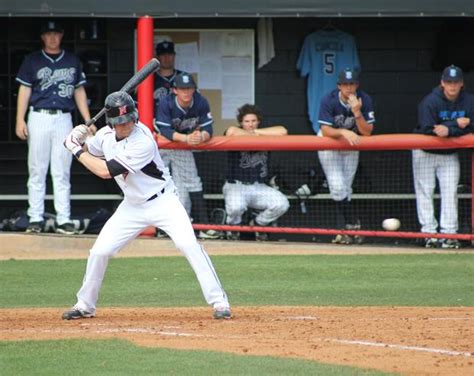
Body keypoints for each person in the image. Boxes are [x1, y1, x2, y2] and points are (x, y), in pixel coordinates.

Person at [61, 91, 231, 320]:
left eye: (129, 119)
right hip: (132, 206)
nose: (126, 125)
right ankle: (85, 305)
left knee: (188, 245)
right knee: (100, 251)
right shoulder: (104, 135)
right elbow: (93, 154)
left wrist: (75, 148)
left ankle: (219, 303)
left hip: (163, 201)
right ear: (111, 123)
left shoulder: (143, 140)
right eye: (120, 122)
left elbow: (104, 171)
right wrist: (82, 139)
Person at [15, 20, 91, 235]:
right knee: (37, 169)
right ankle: (35, 218)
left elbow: (79, 91)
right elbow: (24, 90)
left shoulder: (72, 60)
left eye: (56, 33)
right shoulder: (33, 60)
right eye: (48, 34)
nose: (52, 37)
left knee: (62, 170)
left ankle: (63, 219)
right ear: (42, 37)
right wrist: (20, 119)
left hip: (63, 118)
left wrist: (87, 120)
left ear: (61, 35)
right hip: (38, 116)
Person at [413, 65, 474, 249]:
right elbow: (427, 128)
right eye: (449, 82)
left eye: (455, 82)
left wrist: (449, 129)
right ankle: (429, 233)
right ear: (442, 83)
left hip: (448, 154)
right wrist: (456, 124)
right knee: (425, 192)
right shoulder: (430, 101)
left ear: (461, 83)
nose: (452, 86)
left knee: (450, 193)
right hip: (425, 152)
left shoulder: (469, 101)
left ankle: (449, 233)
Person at [156, 73, 221, 240]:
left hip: (183, 146)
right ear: (175, 90)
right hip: (162, 146)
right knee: (156, 183)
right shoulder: (167, 102)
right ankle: (161, 226)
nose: (186, 92)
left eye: (189, 88)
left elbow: (209, 129)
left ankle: (200, 225)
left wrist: (201, 137)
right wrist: (187, 138)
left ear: (194, 89)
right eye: (182, 89)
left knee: (189, 183)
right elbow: (165, 130)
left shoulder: (200, 101)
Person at [317, 68, 375, 244]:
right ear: (339, 86)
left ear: (357, 85)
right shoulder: (329, 99)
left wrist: (357, 113)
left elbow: (367, 132)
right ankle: (351, 223)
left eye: (352, 84)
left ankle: (343, 232)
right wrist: (343, 131)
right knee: (336, 186)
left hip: (351, 144)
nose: (349, 88)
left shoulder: (364, 99)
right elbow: (325, 130)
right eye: (345, 84)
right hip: (330, 143)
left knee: (346, 189)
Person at [223, 104, 289, 241]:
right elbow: (231, 131)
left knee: (282, 203)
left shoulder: (264, 135)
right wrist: (254, 134)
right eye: (247, 121)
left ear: (258, 121)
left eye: (253, 121)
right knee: (236, 207)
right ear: (241, 123)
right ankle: (232, 228)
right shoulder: (236, 133)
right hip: (236, 186)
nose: (251, 124)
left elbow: (283, 131)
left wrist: (258, 133)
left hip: (258, 186)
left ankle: (259, 224)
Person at [152, 40, 184, 131]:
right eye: (163, 55)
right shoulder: (149, 80)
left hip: (181, 128)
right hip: (156, 129)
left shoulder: (184, 78)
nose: (167, 58)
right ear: (157, 57)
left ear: (174, 56)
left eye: (170, 54)